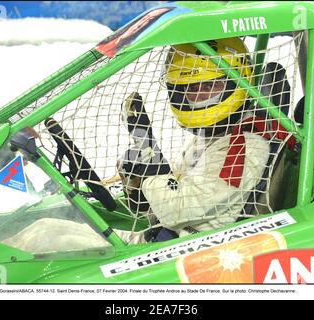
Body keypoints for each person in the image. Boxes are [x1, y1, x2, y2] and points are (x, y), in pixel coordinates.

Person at [117, 37, 279, 242]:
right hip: (164, 241)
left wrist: (150, 154)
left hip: (185, 254)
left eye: (210, 85)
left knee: (64, 237)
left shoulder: (243, 147)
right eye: (192, 89)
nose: (200, 96)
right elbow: (166, 200)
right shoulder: (210, 137)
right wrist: (136, 182)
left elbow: (175, 212)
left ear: (238, 79)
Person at [96, 6, 174, 57]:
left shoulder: (128, 53)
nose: (141, 24)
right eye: (144, 18)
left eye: (149, 21)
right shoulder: (102, 38)